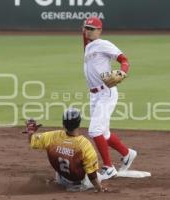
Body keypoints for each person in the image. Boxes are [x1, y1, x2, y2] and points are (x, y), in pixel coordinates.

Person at [82, 16, 137, 180]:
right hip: (94, 95)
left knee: (94, 131)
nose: (88, 31)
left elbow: (124, 59)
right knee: (103, 133)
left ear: (99, 30)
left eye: (92, 29)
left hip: (106, 92)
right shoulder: (89, 46)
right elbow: (84, 37)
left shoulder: (104, 44)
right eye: (86, 28)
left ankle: (108, 167)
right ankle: (127, 154)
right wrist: (82, 30)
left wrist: (123, 71)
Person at [24, 108, 107, 192]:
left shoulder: (54, 136)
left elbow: (33, 142)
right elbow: (92, 175)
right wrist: (99, 189)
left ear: (64, 124)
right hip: (78, 183)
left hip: (61, 179)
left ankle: (57, 183)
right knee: (99, 176)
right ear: (78, 124)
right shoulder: (84, 144)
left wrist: (31, 133)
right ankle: (78, 187)